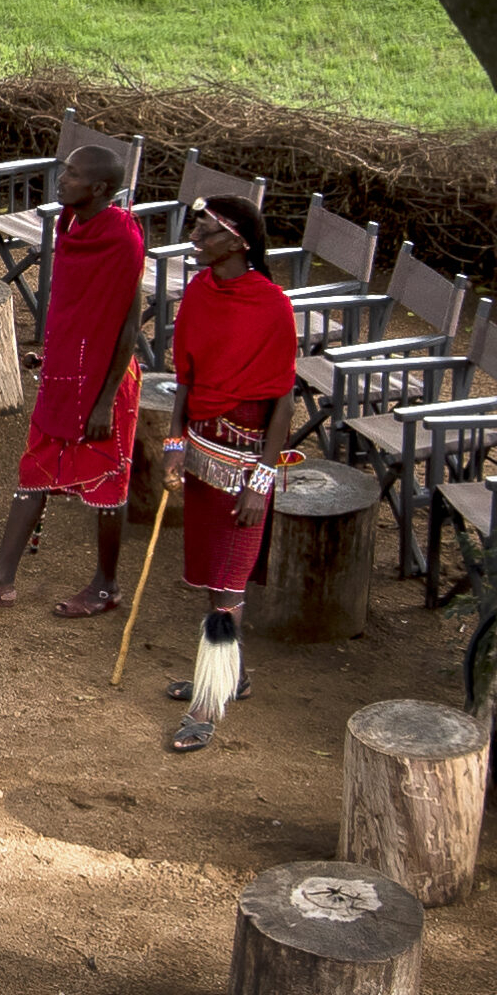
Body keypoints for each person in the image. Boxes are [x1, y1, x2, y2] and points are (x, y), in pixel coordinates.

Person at [0, 136, 149, 619]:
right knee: (34, 472)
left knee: (104, 484)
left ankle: (106, 585)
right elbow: (77, 307)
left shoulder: (122, 239)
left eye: (73, 175)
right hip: (66, 371)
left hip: (104, 383)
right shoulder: (76, 223)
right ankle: (0, 580)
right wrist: (50, 357)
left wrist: (104, 400)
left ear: (99, 188)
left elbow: (126, 323)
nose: (62, 180)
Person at [157, 189, 307, 752]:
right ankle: (232, 676)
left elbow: (283, 402)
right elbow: (187, 380)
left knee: (228, 585)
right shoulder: (198, 291)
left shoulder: (271, 306)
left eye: (205, 233)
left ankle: (207, 704)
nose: (194, 241)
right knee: (211, 576)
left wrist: (260, 482)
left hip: (246, 465)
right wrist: (175, 445)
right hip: (200, 450)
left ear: (239, 241)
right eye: (194, 230)